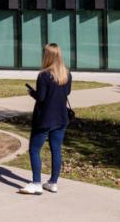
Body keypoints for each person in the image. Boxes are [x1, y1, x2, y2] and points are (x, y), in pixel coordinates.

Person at [19, 43, 72, 195]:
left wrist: (32, 93)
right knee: (56, 150)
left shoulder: (43, 75)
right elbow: (66, 92)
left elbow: (41, 97)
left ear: (47, 56)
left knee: (34, 149)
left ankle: (36, 182)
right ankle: (53, 182)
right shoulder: (66, 74)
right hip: (61, 118)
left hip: (44, 119)